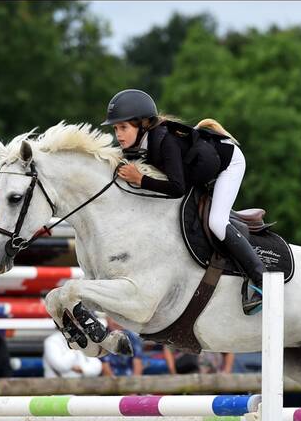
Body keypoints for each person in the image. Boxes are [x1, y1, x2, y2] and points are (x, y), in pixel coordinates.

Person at [101, 88, 264, 314]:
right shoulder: (142, 142)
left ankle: (261, 279)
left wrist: (141, 180)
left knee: (216, 222)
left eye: (124, 127)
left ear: (144, 124)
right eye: (116, 128)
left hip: (229, 163)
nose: (118, 134)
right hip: (201, 168)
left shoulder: (165, 142)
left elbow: (178, 189)